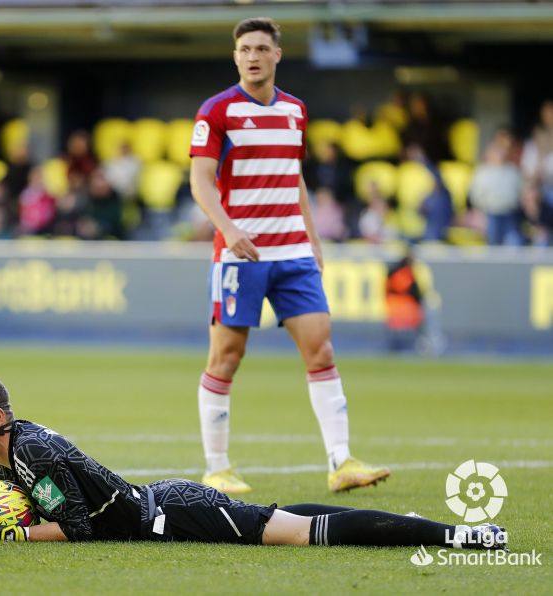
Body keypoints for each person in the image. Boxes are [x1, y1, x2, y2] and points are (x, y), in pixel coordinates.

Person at [0, 375, 506, 551]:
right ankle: (423, 526)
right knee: (283, 518)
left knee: (305, 535)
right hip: (161, 506)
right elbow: (46, 508)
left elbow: (80, 529)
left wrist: (11, 537)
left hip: (175, 515)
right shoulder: (7, 457)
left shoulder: (31, 451)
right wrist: (8, 514)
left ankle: (461, 536)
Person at [188, 17, 389, 494]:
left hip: (294, 252)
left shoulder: (296, 111)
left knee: (321, 348)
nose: (252, 56)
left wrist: (314, 239)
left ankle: (341, 462)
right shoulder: (216, 111)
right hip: (242, 257)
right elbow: (200, 182)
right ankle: (217, 466)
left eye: (261, 48)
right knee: (226, 357)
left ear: (277, 54)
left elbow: (293, 177)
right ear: (235, 56)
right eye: (243, 49)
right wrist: (229, 229)